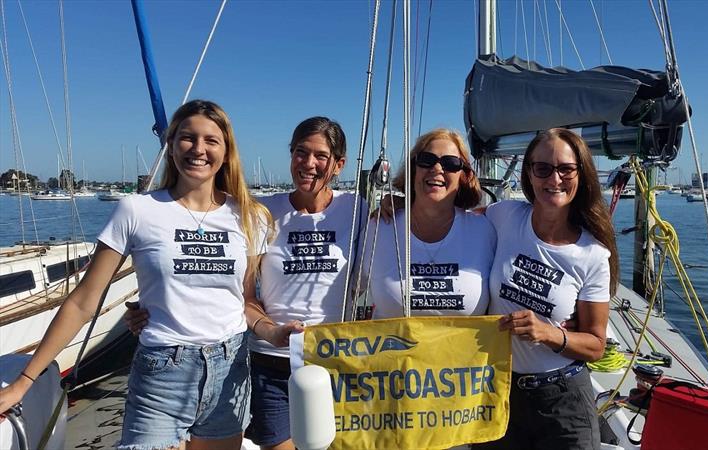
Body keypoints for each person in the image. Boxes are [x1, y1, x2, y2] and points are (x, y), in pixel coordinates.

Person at [0, 99, 273, 450]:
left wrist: (276, 331)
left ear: (226, 151)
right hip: (163, 370)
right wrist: (24, 381)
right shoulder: (137, 210)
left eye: (211, 140)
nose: (198, 149)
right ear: (171, 145)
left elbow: (247, 299)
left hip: (229, 366)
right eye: (188, 138)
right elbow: (84, 302)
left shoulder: (249, 216)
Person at [126, 116, 365, 450]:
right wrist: (150, 307)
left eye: (321, 156)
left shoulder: (360, 211)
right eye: (300, 152)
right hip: (270, 360)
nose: (308, 164)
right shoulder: (260, 212)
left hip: (335, 361)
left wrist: (398, 204)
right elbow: (231, 286)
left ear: (338, 164)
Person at [475, 128, 619, 450]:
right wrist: (401, 205)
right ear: (529, 173)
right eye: (543, 168)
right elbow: (452, 222)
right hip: (500, 391)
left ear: (580, 174)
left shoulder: (593, 255)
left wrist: (548, 333)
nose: (554, 178)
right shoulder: (505, 215)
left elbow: (596, 345)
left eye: (565, 169)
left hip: (562, 398)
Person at [362, 128, 495, 318]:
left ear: (463, 175)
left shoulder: (484, 230)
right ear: (413, 168)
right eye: (427, 160)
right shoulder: (379, 228)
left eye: (451, 163)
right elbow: (341, 290)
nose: (437, 169)